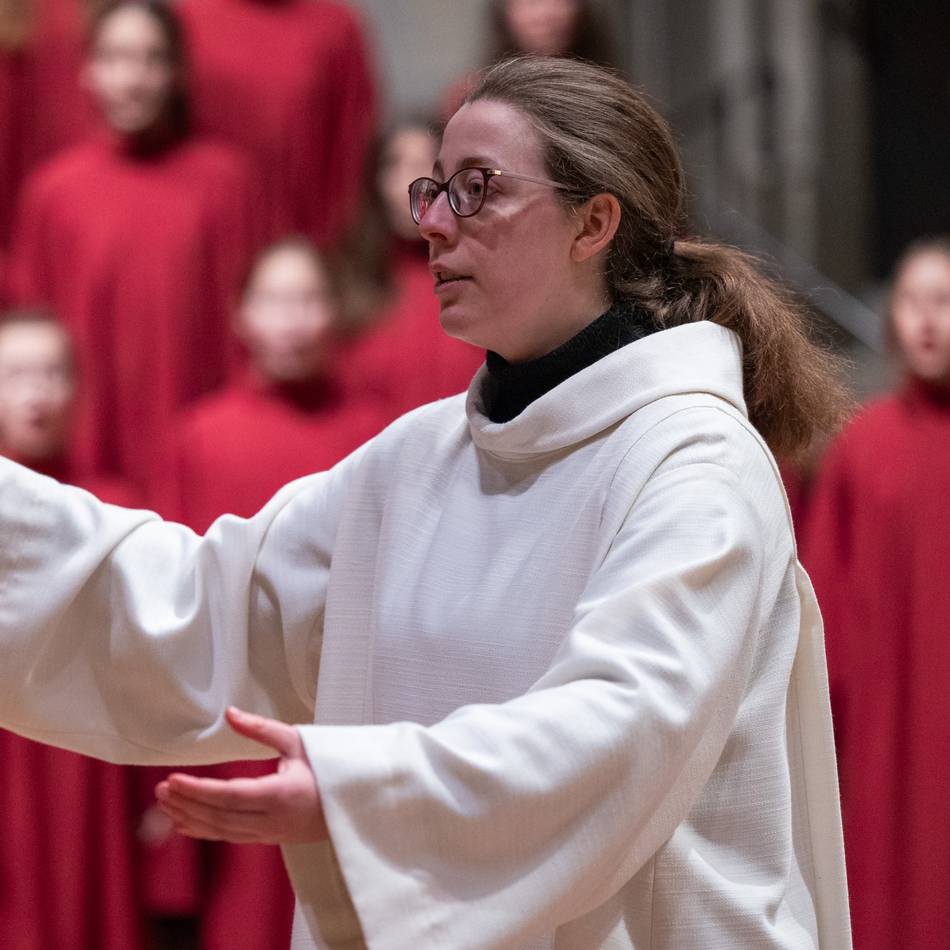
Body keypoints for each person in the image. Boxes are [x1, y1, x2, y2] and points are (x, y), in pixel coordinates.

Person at [0, 57, 852, 949]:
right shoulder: (416, 460)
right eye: (433, 190)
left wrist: (362, 790)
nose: (436, 226)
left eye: (477, 190)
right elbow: (196, 609)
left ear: (592, 221)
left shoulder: (693, 462)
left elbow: (624, 728)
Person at [5, 0, 260, 501]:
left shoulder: (226, 184)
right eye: (116, 58)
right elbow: (31, 340)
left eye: (152, 59)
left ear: (177, 72)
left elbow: (246, 328)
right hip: (82, 463)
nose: (133, 79)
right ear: (89, 71)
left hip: (192, 444)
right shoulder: (54, 192)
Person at [802, 237, 950, 950]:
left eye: (945, 302)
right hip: (884, 729)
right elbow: (823, 599)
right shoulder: (863, 446)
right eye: (914, 300)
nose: (928, 320)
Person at [0, 311, 144, 950]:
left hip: (89, 760)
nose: (36, 391)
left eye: (53, 373)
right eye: (15, 375)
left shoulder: (113, 507)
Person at [177, 0, 376, 248]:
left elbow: (351, 150)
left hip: (302, 252)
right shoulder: (185, 18)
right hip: (201, 241)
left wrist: (325, 252)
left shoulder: (335, 26)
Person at [337, 117, 485, 422]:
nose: (411, 179)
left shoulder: (488, 276)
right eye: (395, 164)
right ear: (374, 178)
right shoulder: (343, 279)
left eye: (427, 164)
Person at [443, 0, 617, 116]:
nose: (548, 14)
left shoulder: (609, 94)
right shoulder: (469, 95)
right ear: (504, 11)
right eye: (532, 1)